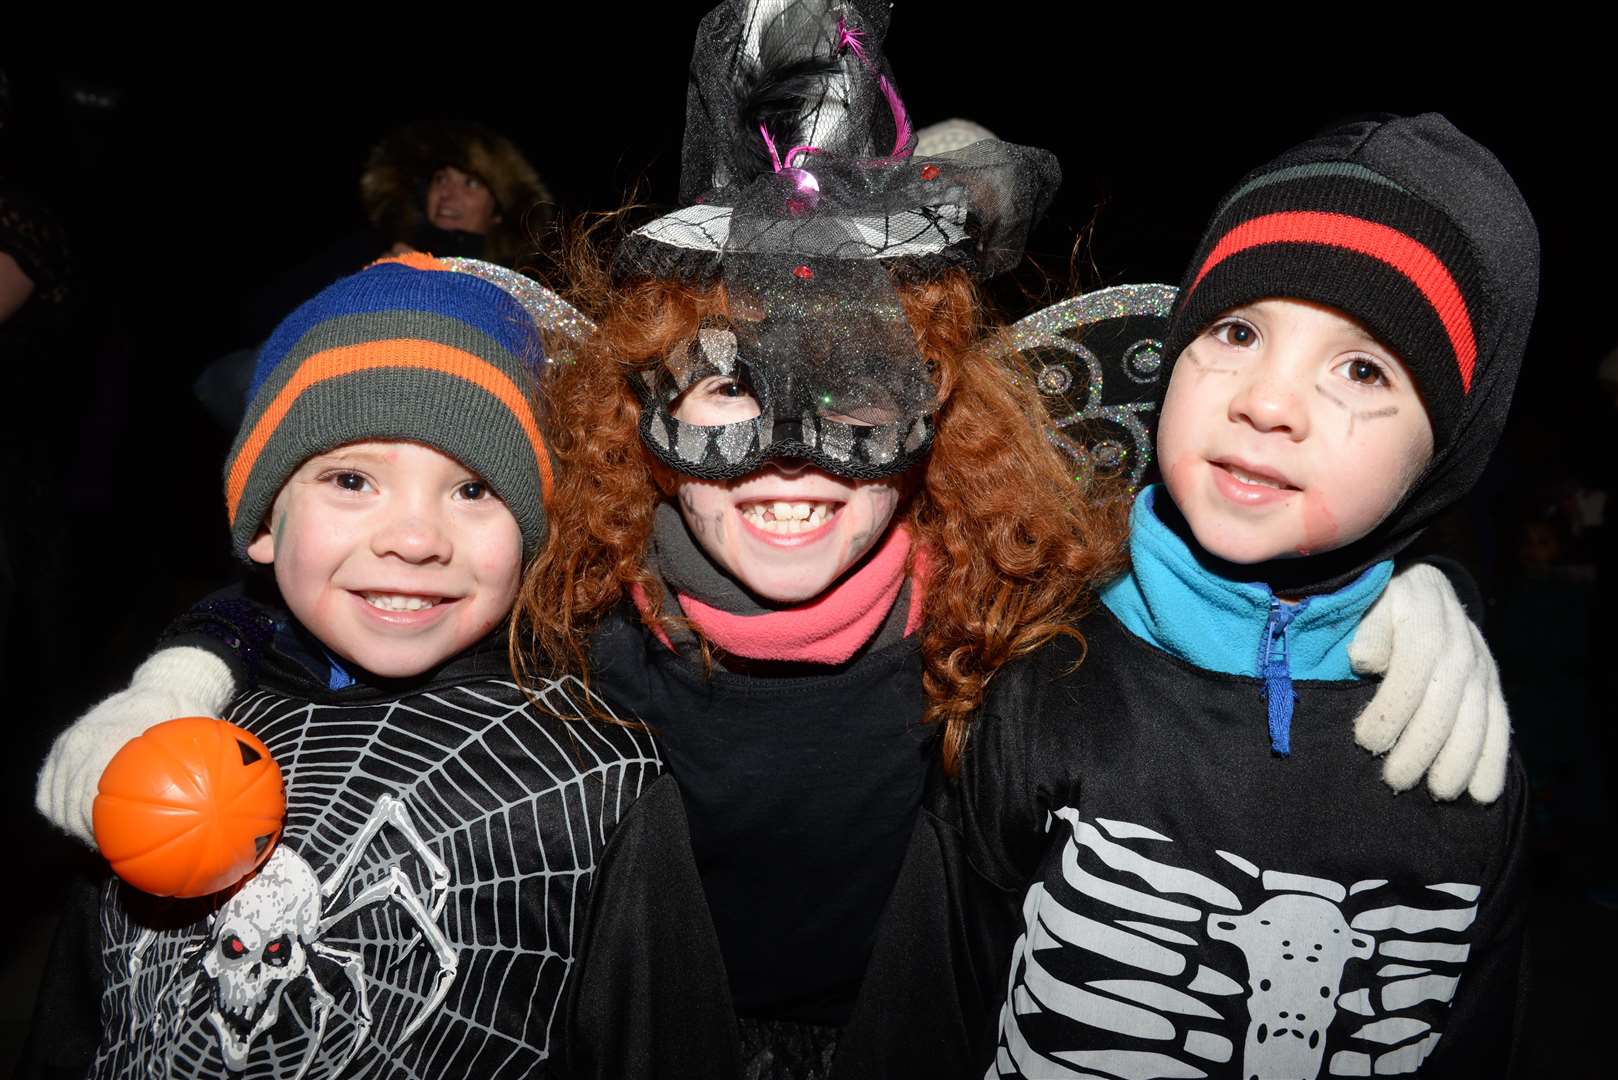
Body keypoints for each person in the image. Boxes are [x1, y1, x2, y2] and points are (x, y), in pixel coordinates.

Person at [33, 9, 1509, 1077]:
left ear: (939, 415)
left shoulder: (1007, 612)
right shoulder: (562, 601)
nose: (792, 456)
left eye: (858, 394)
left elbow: (1218, 577)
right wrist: (179, 672)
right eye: (731, 385)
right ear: (642, 410)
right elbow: (347, 598)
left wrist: (1398, 596)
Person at [955, 114, 1536, 1079]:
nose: (1268, 402)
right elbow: (941, 989)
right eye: (1236, 330)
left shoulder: (1470, 769)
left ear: (1443, 457)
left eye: (1362, 368)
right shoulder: (1044, 683)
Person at [31, 253, 659, 1078]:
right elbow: (77, 1024)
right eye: (352, 478)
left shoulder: (594, 776)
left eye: (474, 490)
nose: (414, 538)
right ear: (262, 524)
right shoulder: (176, 739)